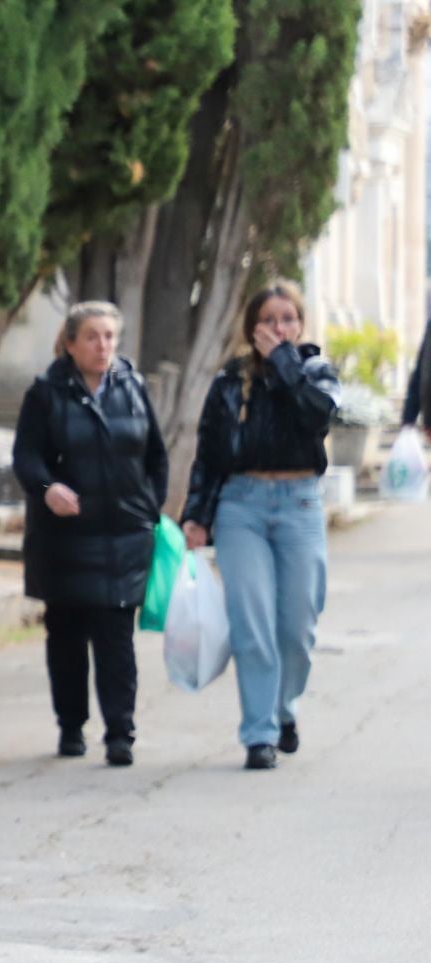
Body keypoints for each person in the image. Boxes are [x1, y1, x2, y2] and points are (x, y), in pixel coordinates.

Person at [182, 281, 340, 770]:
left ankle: (284, 708)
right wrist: (197, 514)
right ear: (252, 327)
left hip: (299, 506)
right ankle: (258, 734)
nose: (279, 328)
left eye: (288, 319)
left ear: (301, 324)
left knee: (297, 627)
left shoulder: (315, 371)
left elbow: (319, 416)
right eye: (269, 320)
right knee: (252, 625)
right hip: (241, 507)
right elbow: (208, 453)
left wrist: (285, 364)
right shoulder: (229, 382)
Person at [12, 302, 168, 767]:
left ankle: (121, 732)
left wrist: (149, 506)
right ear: (70, 343)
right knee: (65, 635)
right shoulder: (45, 393)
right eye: (93, 337)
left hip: (123, 534)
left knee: (116, 635)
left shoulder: (132, 387)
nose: (104, 346)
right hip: (64, 537)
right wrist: (48, 488)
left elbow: (155, 457)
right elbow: (27, 458)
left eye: (110, 336)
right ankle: (71, 726)